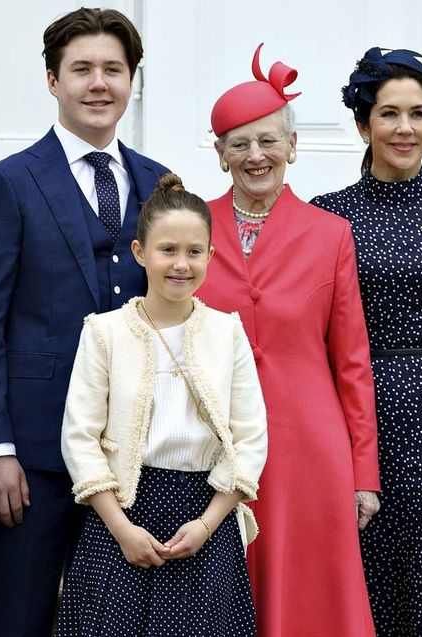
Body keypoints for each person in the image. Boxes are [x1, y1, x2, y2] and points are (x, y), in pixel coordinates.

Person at [0, 8, 170, 634]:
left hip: (138, 455)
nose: (98, 84)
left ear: (132, 80)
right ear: (53, 80)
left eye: (113, 69)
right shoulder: (6, 184)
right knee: (18, 618)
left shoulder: (160, 184)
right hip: (34, 455)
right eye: (81, 69)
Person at [310, 47, 422, 637]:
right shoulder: (328, 215)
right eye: (389, 114)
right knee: (364, 571)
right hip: (355, 413)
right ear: (364, 125)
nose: (405, 128)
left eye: (418, 113)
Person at [197, 44, 380, 637]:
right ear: (221, 154)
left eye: (269, 140)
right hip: (212, 441)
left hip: (308, 445)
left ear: (293, 148)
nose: (257, 155)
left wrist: (363, 473)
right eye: (240, 143)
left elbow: (352, 362)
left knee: (306, 592)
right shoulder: (191, 227)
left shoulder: (331, 235)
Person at [55, 173, 267, 636]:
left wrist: (209, 524)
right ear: (139, 253)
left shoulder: (226, 332)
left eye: (194, 252)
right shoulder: (104, 332)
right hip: (122, 517)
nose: (181, 264)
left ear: (211, 255)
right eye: (167, 250)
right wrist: (121, 528)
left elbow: (250, 438)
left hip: (203, 517)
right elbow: (80, 437)